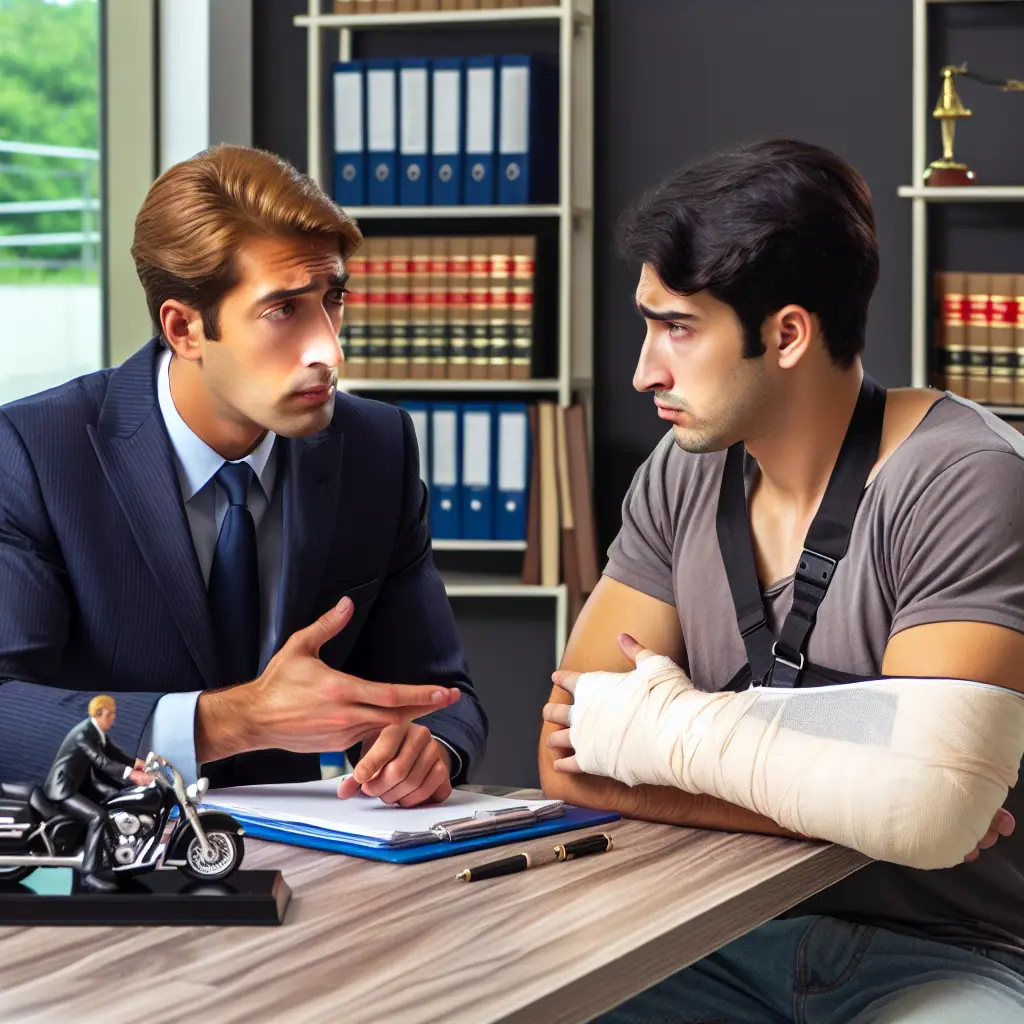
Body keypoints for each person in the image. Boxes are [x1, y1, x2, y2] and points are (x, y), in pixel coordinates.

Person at [539, 139, 1024, 1021]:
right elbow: (568, 751)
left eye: (678, 328)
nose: (644, 370)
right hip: (700, 938)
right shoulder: (680, 471)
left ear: (789, 334)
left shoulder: (966, 478)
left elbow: (931, 804)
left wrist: (660, 733)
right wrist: (868, 785)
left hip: (950, 954)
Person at [0, 144, 487, 807]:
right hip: (103, 868)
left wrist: (426, 748)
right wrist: (236, 720)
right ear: (185, 328)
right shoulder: (35, 451)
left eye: (333, 298)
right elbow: (6, 715)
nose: (330, 350)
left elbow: (440, 694)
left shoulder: (377, 446)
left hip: (319, 871)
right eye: (283, 309)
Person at [44, 694, 152, 891]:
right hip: (64, 789)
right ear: (99, 713)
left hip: (81, 783)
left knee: (117, 795)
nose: (113, 718)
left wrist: (142, 764)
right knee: (98, 816)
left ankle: (113, 853)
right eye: (110, 714)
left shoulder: (96, 732)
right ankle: (89, 873)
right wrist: (134, 775)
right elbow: (101, 761)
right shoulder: (83, 734)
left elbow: (115, 753)